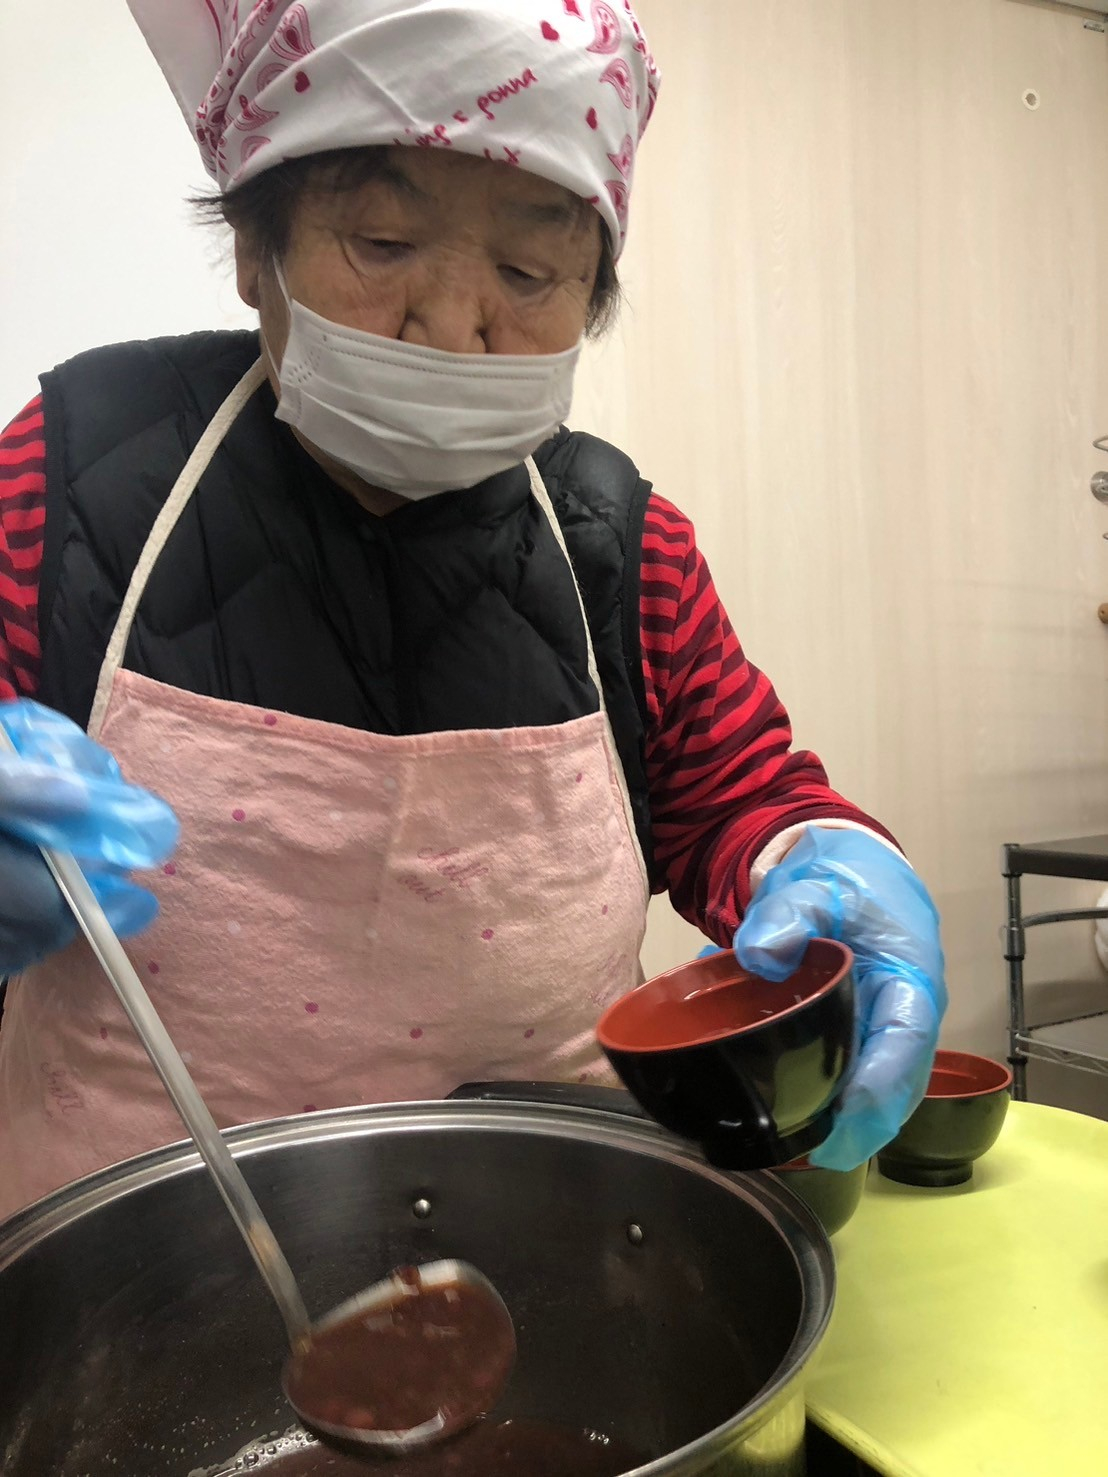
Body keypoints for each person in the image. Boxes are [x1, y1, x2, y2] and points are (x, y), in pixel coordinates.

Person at [0, 0, 944, 1221]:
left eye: (527, 272)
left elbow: (741, 797)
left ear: (592, 290)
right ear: (252, 247)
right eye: (382, 242)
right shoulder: (69, 477)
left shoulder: (623, 544)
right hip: (125, 1267)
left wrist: (829, 864)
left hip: (556, 1243)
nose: (453, 325)